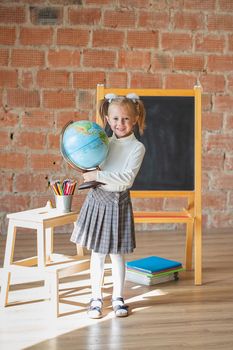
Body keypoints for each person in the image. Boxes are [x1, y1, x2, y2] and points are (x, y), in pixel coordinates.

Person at [71, 92, 146, 319]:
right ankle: (95, 298)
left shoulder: (137, 148)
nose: (119, 124)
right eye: (115, 119)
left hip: (117, 203)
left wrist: (98, 174)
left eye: (125, 119)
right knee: (97, 253)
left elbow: (126, 179)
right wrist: (84, 164)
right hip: (97, 200)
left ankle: (117, 297)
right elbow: (92, 165)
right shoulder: (102, 143)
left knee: (116, 254)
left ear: (134, 120)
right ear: (107, 119)